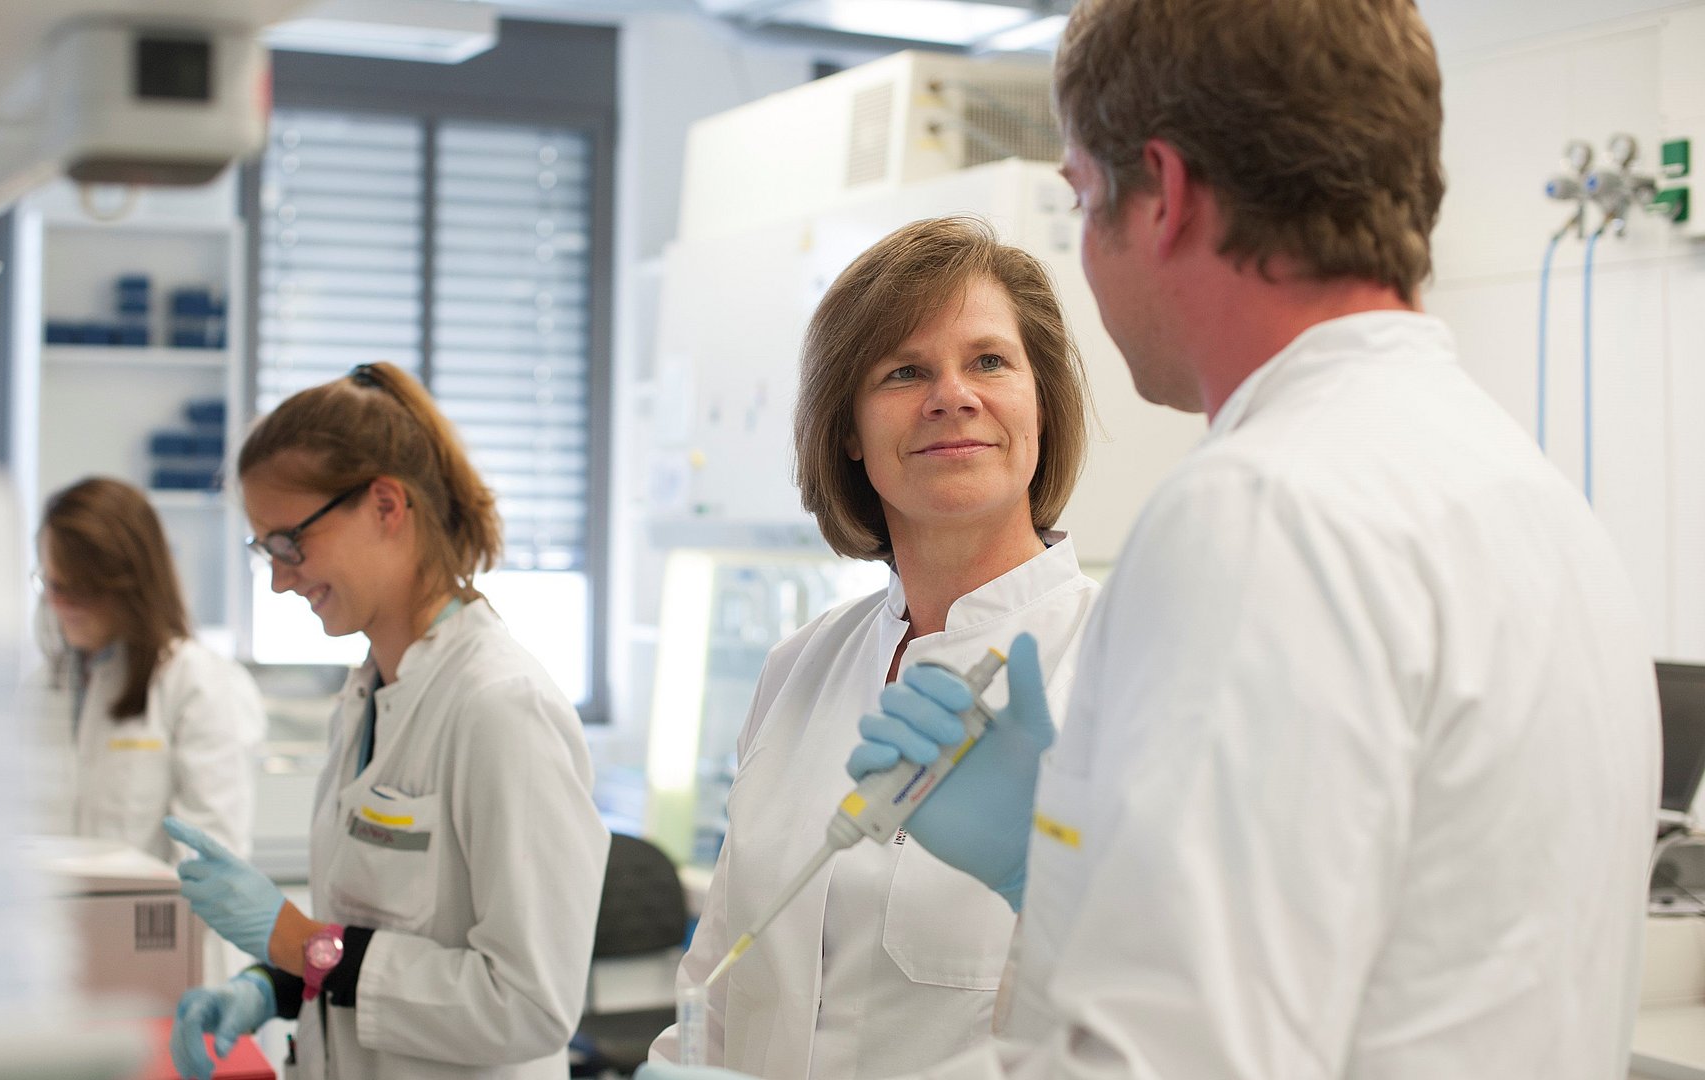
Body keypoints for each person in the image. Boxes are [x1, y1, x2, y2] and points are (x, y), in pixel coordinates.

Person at [645, 1, 1661, 1078]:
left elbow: (1166, 1057)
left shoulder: (1263, 512)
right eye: (904, 371)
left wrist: (1047, 875)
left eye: (1082, 196)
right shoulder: (1537, 503)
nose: (953, 397)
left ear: (1163, 196)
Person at [648, 216, 1100, 1078]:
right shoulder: (799, 669)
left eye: (990, 362)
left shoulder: (1122, 665)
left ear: (1041, 402)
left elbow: (1169, 1004)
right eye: (904, 371)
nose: (952, 396)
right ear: (849, 431)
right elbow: (718, 976)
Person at [163, 362, 609, 1080]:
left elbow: (529, 1003)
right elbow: (368, 935)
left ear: (385, 506)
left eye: (289, 542)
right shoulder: (369, 694)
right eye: (264, 549)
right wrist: (272, 983)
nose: (278, 576)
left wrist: (297, 945)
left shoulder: (500, 706)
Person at [34, 476, 264, 865]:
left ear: (128, 585)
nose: (60, 605)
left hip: (151, 923)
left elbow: (211, 858)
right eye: (52, 585)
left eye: (78, 591)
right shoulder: (41, 688)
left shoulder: (196, 683)